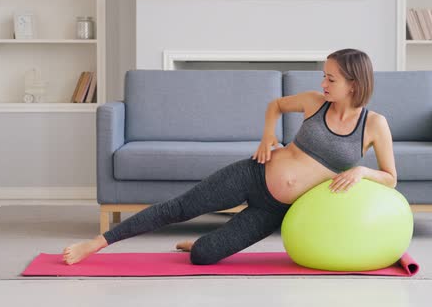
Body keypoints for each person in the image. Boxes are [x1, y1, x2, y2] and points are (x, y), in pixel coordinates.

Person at [62, 48, 397, 266]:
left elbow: (391, 179)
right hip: (253, 173)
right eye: (323, 74)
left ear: (354, 84)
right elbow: (276, 106)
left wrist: (362, 172)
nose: (322, 82)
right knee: (176, 209)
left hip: (274, 210)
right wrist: (268, 136)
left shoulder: (375, 125)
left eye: (331, 78)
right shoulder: (313, 101)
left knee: (203, 256)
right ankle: (96, 243)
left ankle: (200, 243)